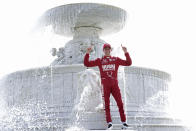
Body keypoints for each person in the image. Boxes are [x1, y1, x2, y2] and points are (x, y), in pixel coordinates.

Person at [84, 43, 132, 130]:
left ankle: (124, 122)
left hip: (115, 86)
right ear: (103, 50)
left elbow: (128, 63)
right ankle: (109, 123)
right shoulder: (100, 60)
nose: (107, 50)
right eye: (105, 49)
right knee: (106, 105)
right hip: (105, 86)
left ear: (111, 50)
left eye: (108, 49)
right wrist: (87, 53)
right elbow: (86, 63)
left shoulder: (116, 59)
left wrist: (126, 52)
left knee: (120, 104)